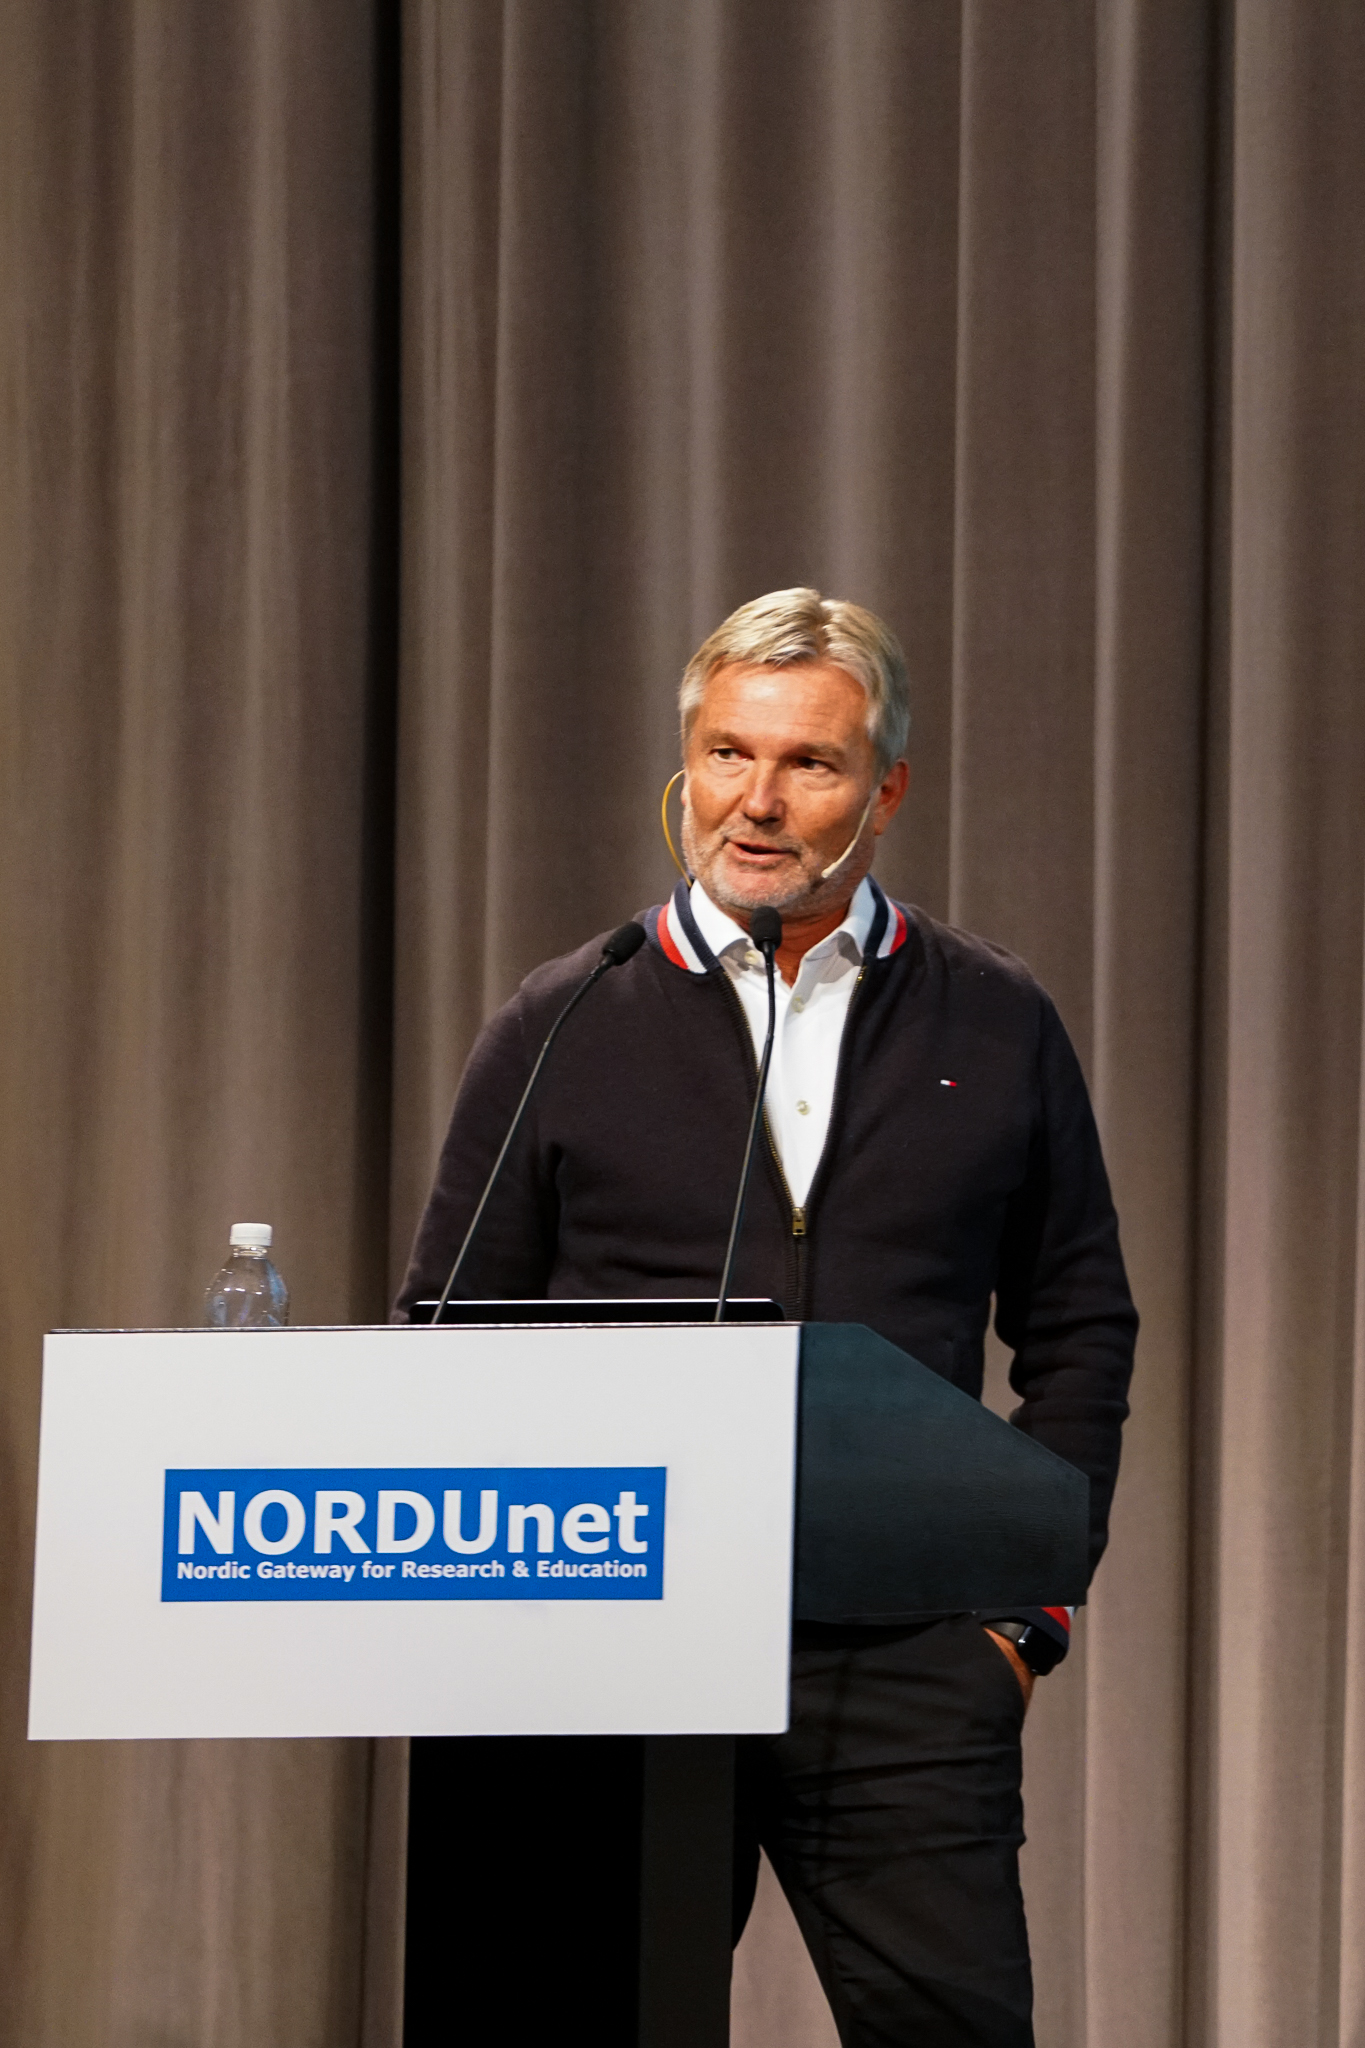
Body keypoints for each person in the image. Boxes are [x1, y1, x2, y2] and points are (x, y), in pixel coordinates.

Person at [396, 587, 1137, 2047]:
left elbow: (1079, 1321)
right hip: (607, 1641)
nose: (757, 801)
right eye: (727, 754)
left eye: (809, 763)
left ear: (886, 790)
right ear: (684, 764)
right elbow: (447, 1328)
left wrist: (1022, 1614)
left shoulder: (992, 1017)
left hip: (903, 1651)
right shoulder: (566, 1015)